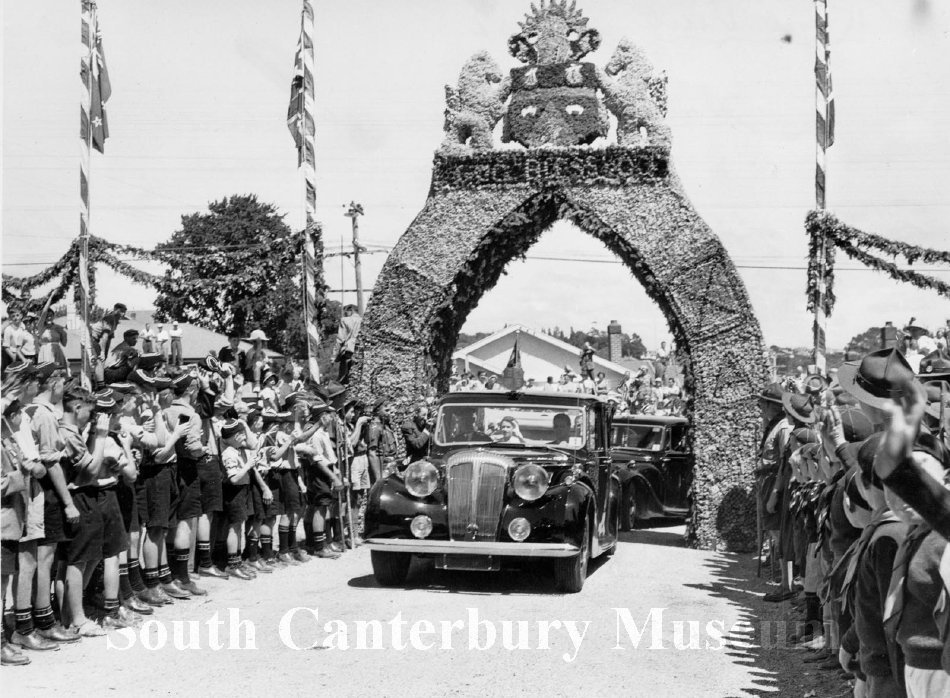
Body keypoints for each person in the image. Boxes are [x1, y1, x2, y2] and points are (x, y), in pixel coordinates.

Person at [337, 305, 361, 384]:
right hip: (360, 350)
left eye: (346, 312)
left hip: (349, 349)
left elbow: (340, 338)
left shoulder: (344, 320)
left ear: (351, 310)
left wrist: (334, 356)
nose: (345, 314)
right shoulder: (362, 320)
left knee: (344, 375)